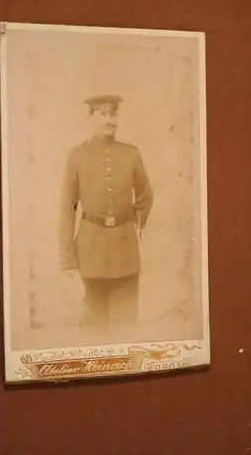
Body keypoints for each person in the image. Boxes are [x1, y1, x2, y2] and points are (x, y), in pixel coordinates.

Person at [59, 94, 154, 333]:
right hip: (91, 251)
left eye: (113, 114)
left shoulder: (131, 154)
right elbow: (67, 208)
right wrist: (68, 256)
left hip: (125, 249)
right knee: (95, 325)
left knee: (126, 325)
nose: (110, 120)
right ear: (90, 117)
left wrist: (135, 226)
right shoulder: (77, 156)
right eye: (103, 114)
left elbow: (145, 194)